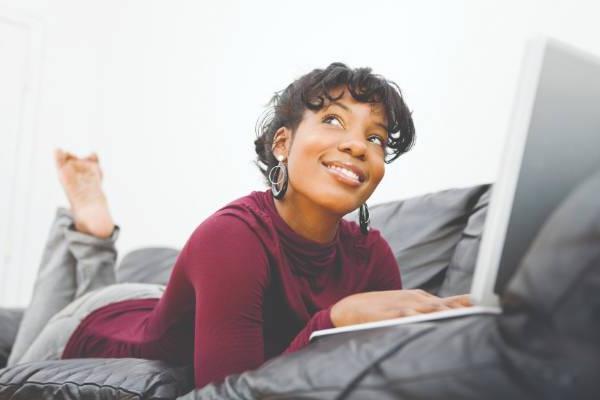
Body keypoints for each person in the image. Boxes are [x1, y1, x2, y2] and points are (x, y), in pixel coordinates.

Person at [6, 63, 471, 389]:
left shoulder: (373, 255)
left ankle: (95, 235)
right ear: (283, 144)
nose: (357, 146)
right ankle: (92, 234)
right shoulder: (232, 237)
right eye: (333, 120)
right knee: (17, 360)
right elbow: (225, 393)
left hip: (156, 302)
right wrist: (330, 322)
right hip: (96, 327)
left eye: (375, 138)